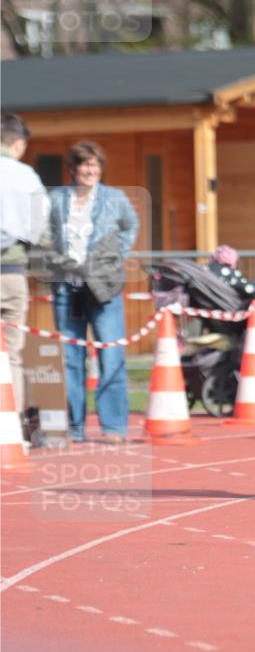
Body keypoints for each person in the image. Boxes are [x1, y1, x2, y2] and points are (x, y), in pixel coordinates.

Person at [49, 141, 138, 442]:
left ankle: (113, 426)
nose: (90, 170)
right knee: (70, 358)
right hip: (67, 287)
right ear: (73, 168)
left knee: (110, 353)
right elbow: (45, 234)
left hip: (103, 287)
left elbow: (130, 226)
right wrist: (55, 259)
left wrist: (113, 256)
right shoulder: (56, 199)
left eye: (95, 164)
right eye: (85, 164)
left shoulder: (115, 198)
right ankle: (74, 427)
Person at [0, 112, 50, 415]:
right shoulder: (26, 176)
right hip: (12, 273)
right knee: (12, 354)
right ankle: (10, 424)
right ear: (18, 143)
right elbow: (42, 229)